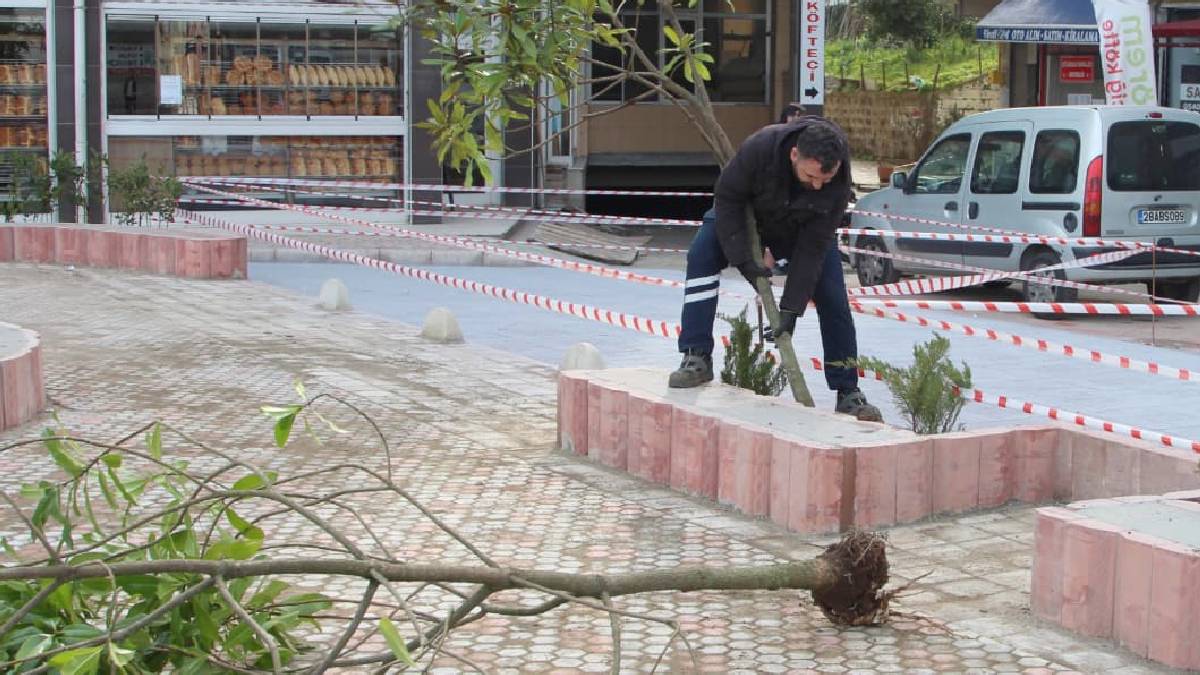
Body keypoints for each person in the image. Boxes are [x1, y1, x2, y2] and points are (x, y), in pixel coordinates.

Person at [669, 104, 881, 420]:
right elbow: (727, 198)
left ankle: (848, 392)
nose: (819, 185)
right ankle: (696, 356)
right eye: (811, 176)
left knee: (834, 298)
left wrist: (791, 308)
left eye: (827, 177)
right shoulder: (760, 147)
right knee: (700, 256)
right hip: (745, 216)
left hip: (800, 229)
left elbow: (814, 248)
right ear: (794, 155)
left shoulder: (836, 183)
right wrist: (744, 260)